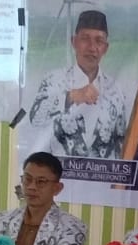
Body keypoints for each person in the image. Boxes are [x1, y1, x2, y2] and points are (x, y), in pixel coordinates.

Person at [27, 9, 129, 161]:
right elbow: (35, 119)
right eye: (85, 39)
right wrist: (70, 97)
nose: (92, 47)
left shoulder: (115, 90)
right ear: (74, 42)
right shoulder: (54, 80)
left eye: (99, 41)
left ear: (105, 48)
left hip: (100, 174)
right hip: (58, 173)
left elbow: (121, 142)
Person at [0, 152, 86, 245]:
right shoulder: (2, 219)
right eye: (27, 179)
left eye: (41, 182)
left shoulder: (73, 228)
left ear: (57, 188)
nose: (31, 187)